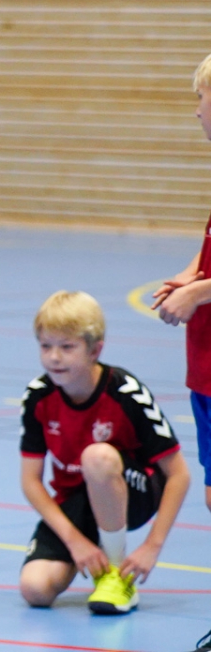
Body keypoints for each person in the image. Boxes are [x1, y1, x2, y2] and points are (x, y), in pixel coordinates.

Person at [18, 291, 188, 614]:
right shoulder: (38, 397)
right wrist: (75, 541)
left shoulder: (125, 392)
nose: (54, 357)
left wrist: (152, 546)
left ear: (95, 350)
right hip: (78, 497)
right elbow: (30, 481)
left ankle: (115, 574)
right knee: (35, 588)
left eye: (67, 347)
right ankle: (96, 551)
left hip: (133, 491)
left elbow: (179, 475)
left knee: (96, 457)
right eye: (46, 346)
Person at [151, 52, 211, 649]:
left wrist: (199, 292)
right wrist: (188, 274)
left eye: (202, 98)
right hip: (205, 370)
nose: (196, 110)